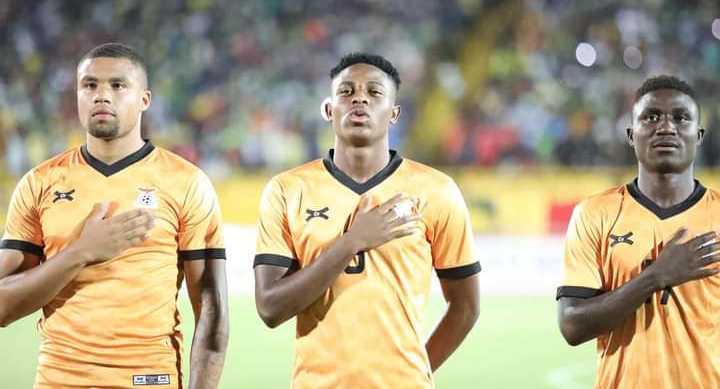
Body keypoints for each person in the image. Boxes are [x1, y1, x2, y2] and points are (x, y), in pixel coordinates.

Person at [0, 43, 229, 389]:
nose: (101, 96)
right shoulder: (40, 183)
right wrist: (81, 253)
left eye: (118, 85)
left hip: (149, 380)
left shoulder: (187, 183)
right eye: (89, 85)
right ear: (76, 96)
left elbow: (212, 310)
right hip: (59, 381)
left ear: (144, 99)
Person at [254, 52, 481, 388]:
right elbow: (271, 309)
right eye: (346, 91)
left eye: (375, 92)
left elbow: (465, 307)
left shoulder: (436, 191)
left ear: (394, 114)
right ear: (329, 110)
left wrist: (416, 372)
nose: (359, 97)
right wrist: (351, 242)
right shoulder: (287, 190)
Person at [557, 75, 720, 388]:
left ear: (699, 135)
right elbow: (572, 325)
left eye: (681, 117)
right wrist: (655, 277)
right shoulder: (595, 214)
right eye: (651, 116)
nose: (666, 127)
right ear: (631, 134)